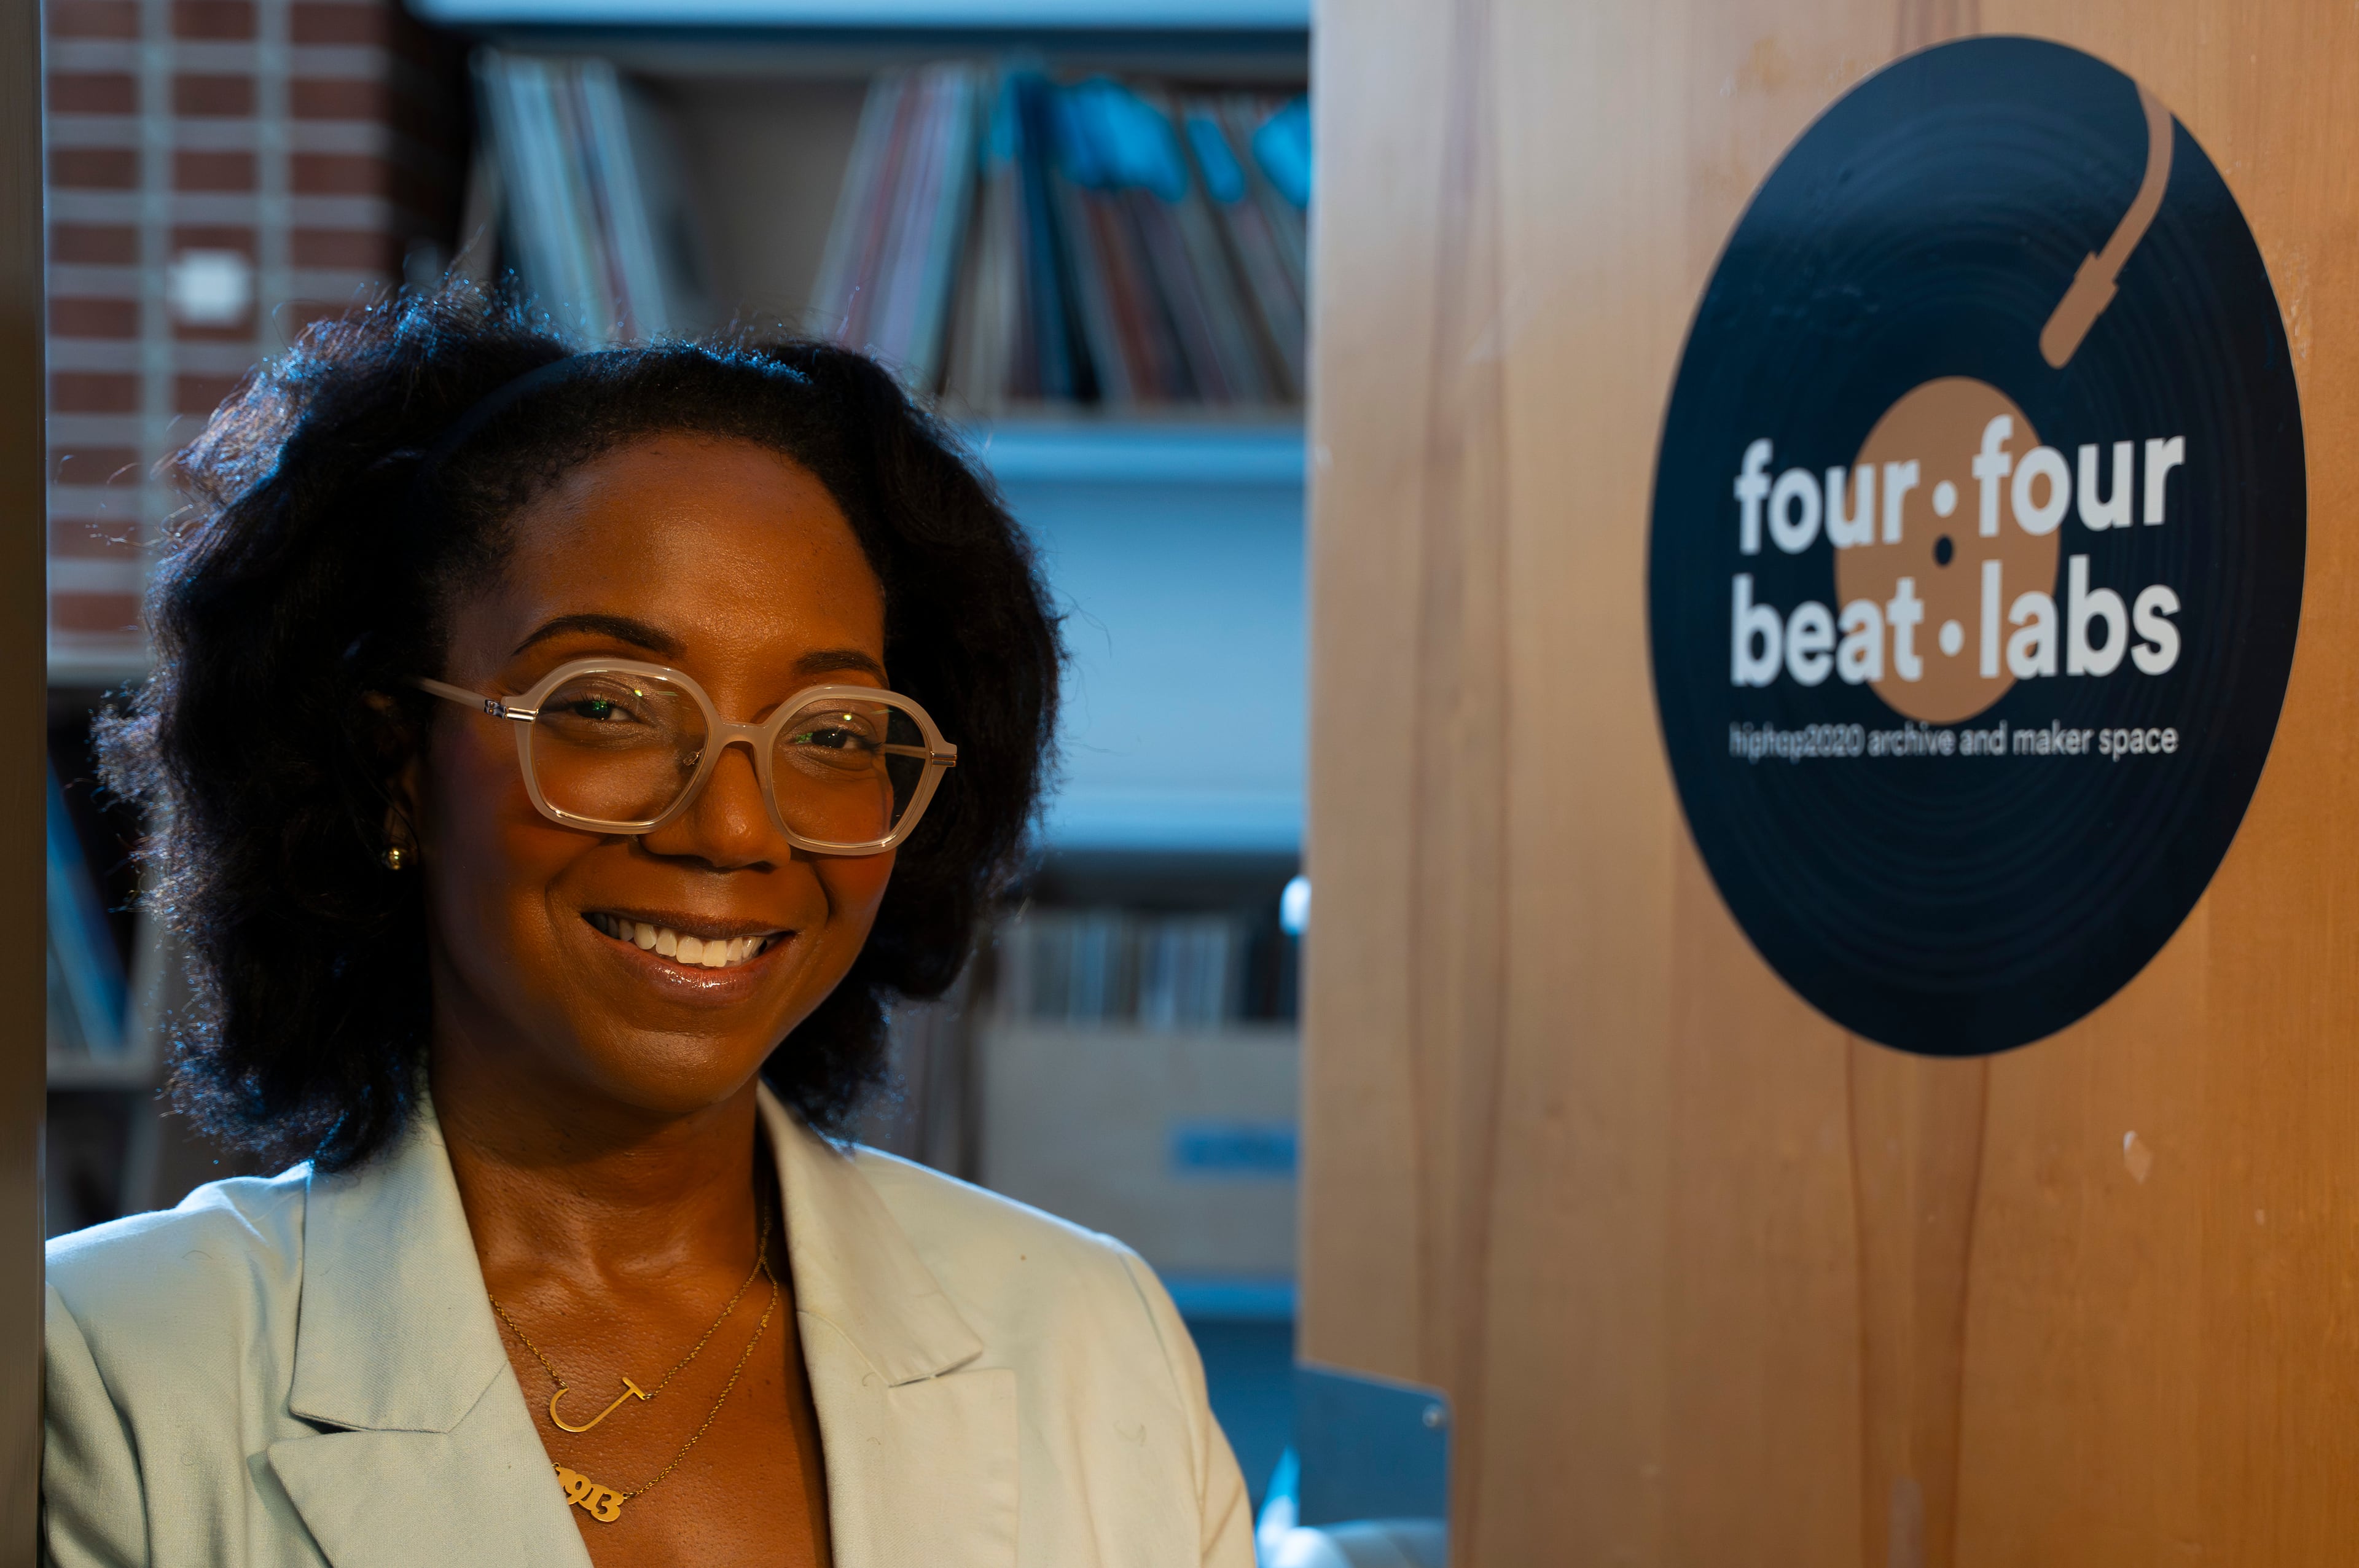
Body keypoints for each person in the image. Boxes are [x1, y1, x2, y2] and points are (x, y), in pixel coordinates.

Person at [42, 287, 1254, 1568]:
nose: (732, 827)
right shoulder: (109, 1369)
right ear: (398, 765)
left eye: (836, 732)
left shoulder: (1092, 1340)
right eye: (610, 707)